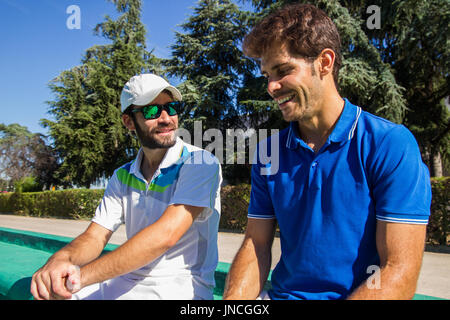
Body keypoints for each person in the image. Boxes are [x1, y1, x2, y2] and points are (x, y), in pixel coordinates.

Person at [223, 3, 431, 300]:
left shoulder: (390, 144)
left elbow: (399, 272)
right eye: (267, 75)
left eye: (283, 70)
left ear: (325, 62)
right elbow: (255, 245)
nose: (271, 86)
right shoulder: (269, 151)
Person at [30, 73, 222, 300]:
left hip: (181, 289)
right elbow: (95, 236)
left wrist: (77, 278)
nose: (166, 118)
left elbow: (165, 235)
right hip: (126, 282)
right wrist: (62, 259)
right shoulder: (122, 176)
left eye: (171, 108)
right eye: (151, 111)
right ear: (129, 122)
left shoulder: (200, 163)